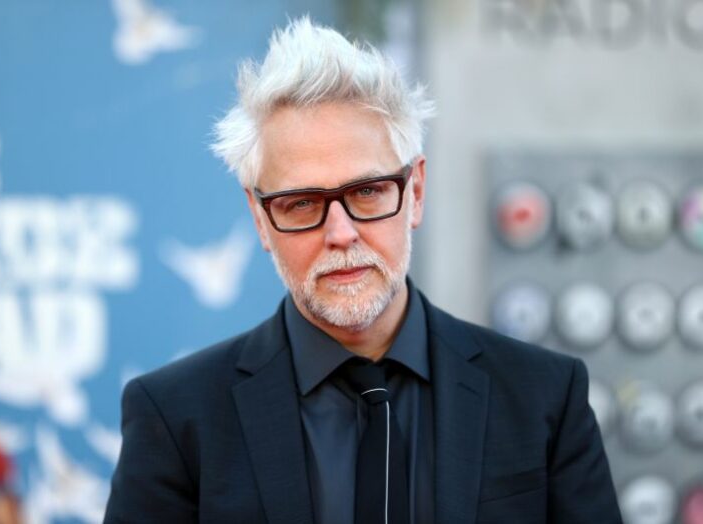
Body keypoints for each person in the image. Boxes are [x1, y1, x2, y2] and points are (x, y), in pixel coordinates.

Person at [104, 17, 622, 524]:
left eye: (367, 192)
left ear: (415, 192)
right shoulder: (175, 417)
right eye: (302, 203)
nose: (341, 232)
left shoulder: (545, 396)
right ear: (261, 220)